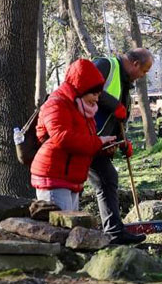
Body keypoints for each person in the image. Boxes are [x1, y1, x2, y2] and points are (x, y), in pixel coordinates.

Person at [31, 58, 116, 212]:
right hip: (53, 178)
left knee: (69, 230)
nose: (97, 99)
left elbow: (85, 142)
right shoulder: (56, 104)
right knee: (61, 231)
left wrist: (104, 147)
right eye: (94, 94)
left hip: (70, 178)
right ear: (82, 89)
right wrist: (98, 142)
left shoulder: (83, 109)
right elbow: (62, 138)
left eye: (98, 94)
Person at [90, 48, 155, 245]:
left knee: (108, 178)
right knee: (89, 182)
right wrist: (113, 105)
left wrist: (122, 141)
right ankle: (112, 232)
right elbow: (85, 86)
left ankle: (115, 233)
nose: (142, 76)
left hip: (100, 144)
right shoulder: (105, 65)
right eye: (144, 71)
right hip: (83, 137)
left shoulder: (126, 83)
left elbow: (118, 118)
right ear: (135, 64)